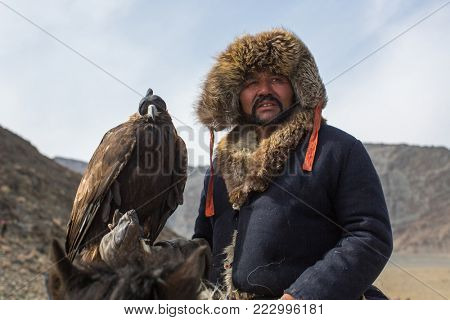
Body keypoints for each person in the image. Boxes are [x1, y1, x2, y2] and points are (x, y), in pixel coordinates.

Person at [193, 28, 393, 299]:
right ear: (235, 95)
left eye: (277, 79)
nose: (264, 90)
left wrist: (301, 298)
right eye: (251, 82)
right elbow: (203, 243)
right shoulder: (220, 167)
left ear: (298, 87)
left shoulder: (338, 149)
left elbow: (369, 236)